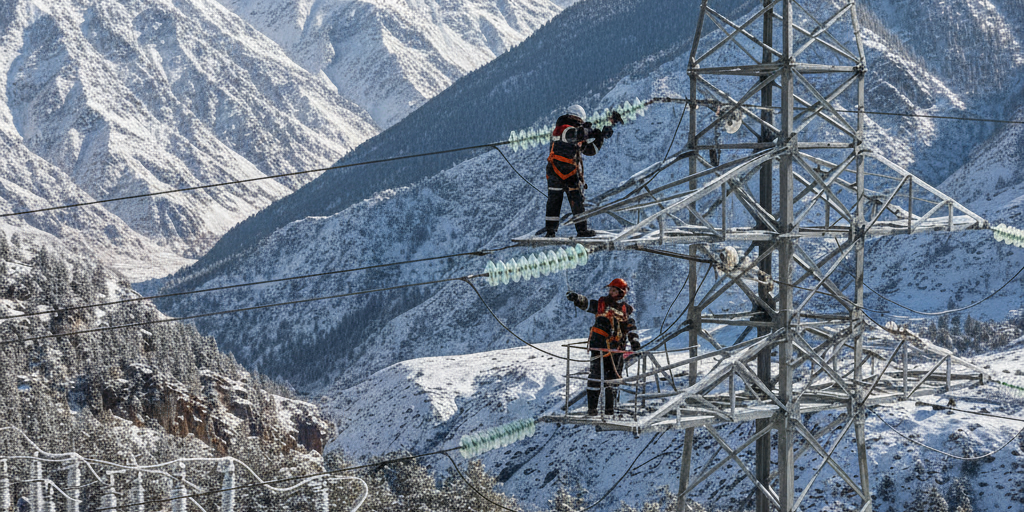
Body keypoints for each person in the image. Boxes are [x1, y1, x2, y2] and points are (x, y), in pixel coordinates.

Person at [566, 278, 640, 416]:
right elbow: (587, 304)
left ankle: (609, 410)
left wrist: (635, 344)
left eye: (613, 290)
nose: (610, 292)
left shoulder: (625, 310)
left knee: (612, 380)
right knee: (594, 377)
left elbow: (631, 327)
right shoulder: (601, 304)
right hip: (599, 348)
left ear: (620, 292)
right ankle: (592, 409)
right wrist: (576, 298)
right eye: (610, 290)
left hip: (617, 350)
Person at [541, 104, 614, 238]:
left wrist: (600, 137)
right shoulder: (562, 129)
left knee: (575, 200)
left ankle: (579, 230)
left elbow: (591, 150)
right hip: (558, 171)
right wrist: (594, 132)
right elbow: (578, 134)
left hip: (566, 172)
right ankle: (551, 230)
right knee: (555, 200)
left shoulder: (575, 134)